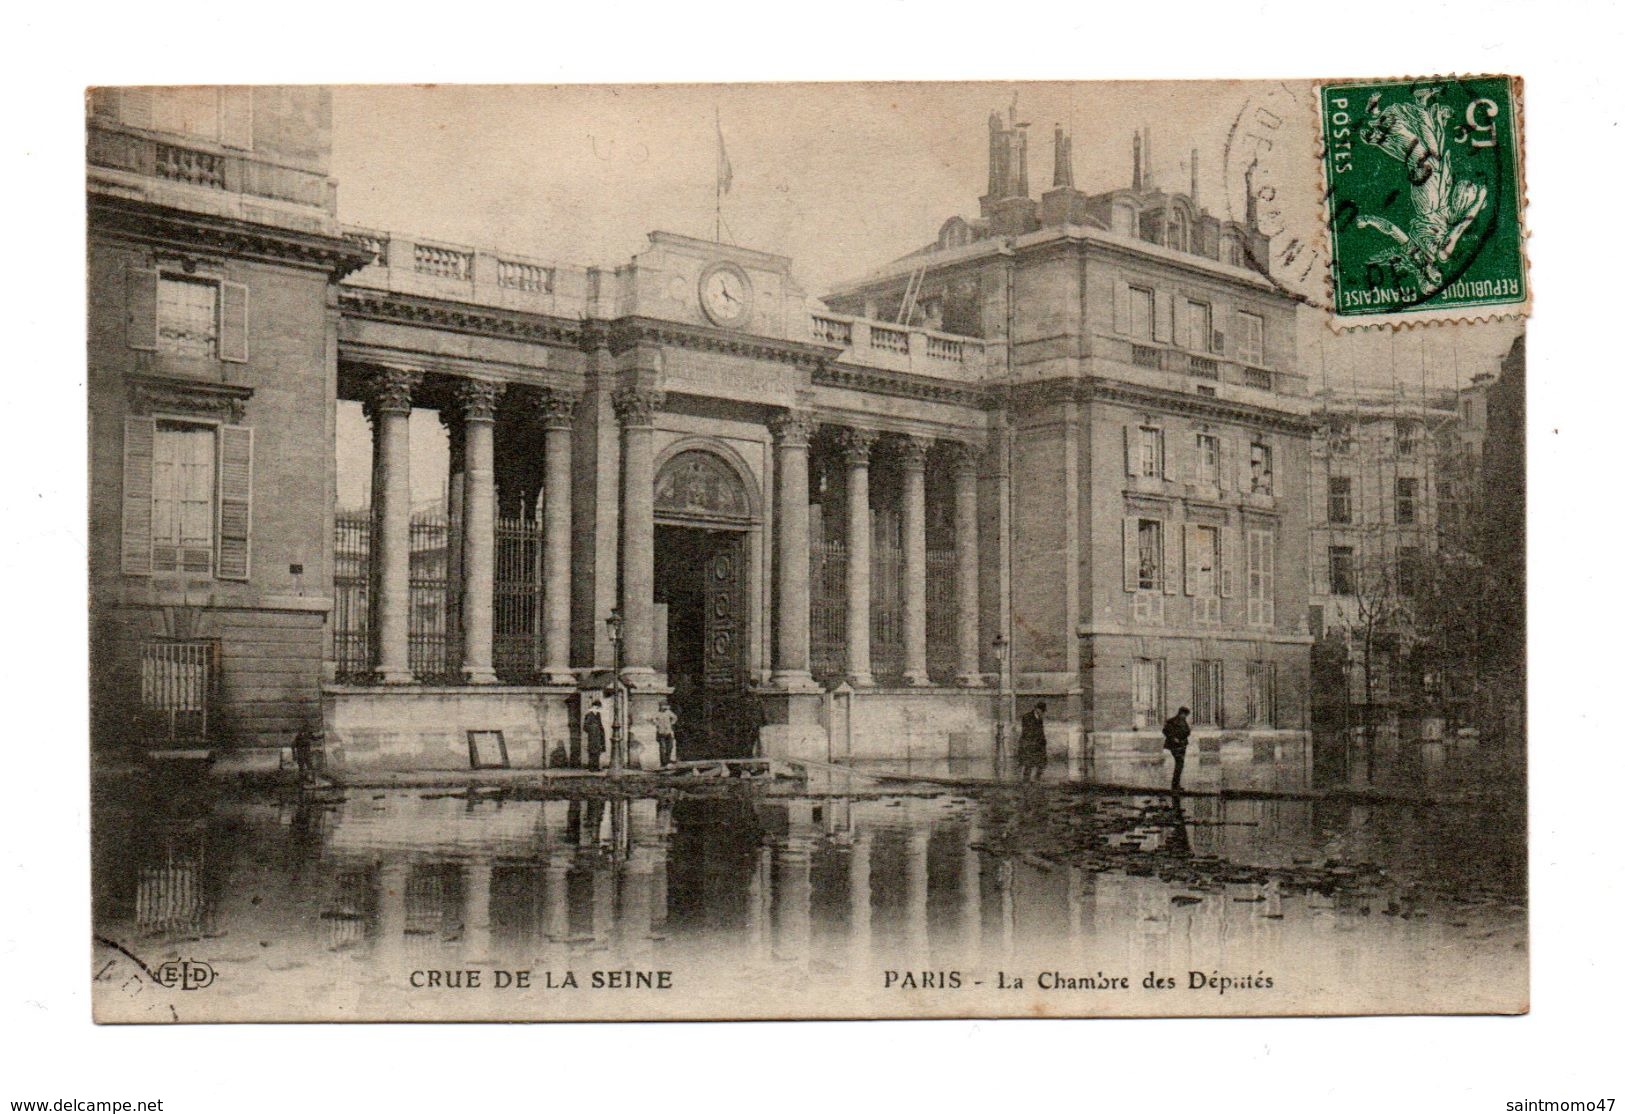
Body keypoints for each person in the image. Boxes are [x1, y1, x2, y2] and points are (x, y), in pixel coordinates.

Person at [1163, 706, 1192, 791]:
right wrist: (1173, 738)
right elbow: (1165, 731)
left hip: (1182, 744)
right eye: (1185, 714)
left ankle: (1176, 785)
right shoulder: (1172, 721)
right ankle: (1175, 786)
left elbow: (1187, 731)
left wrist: (1187, 733)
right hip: (1175, 746)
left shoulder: (1183, 721)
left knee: (1180, 765)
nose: (1185, 716)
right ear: (1181, 713)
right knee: (1179, 765)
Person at [1018, 701, 1049, 781]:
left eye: (1043, 711)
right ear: (1037, 709)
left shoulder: (1039, 718)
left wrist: (1043, 741)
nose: (1042, 713)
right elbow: (1027, 731)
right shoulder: (1027, 717)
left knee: (1042, 762)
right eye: (1042, 711)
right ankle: (1026, 780)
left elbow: (1041, 731)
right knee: (1029, 763)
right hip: (1029, 743)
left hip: (1038, 743)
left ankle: (1037, 778)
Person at [583, 695, 607, 771]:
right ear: (595, 707)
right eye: (599, 708)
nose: (599, 709)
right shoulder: (589, 715)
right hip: (593, 736)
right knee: (592, 751)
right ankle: (592, 767)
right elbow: (585, 727)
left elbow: (600, 724)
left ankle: (596, 767)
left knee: (597, 752)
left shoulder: (598, 715)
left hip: (598, 736)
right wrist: (593, 728)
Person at [652, 700, 679, 768]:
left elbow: (675, 717)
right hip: (661, 732)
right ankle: (663, 762)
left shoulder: (668, 712)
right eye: (662, 706)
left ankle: (668, 759)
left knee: (670, 746)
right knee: (662, 747)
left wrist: (672, 723)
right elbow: (653, 719)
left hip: (668, 731)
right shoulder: (657, 713)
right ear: (660, 706)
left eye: (665, 705)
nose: (664, 707)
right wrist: (657, 724)